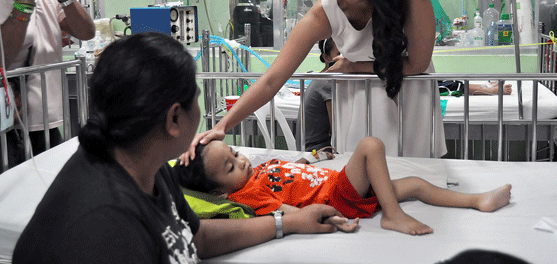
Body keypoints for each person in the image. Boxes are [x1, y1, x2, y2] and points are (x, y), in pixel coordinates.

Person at [13, 32, 353, 264]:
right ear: (174, 118)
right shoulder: (105, 227)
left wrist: (288, 223)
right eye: (197, 99)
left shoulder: (149, 165)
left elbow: (197, 237)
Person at [184, 0, 445, 159]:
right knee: (360, 189)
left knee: (416, 182)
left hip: (409, 101)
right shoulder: (328, 10)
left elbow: (417, 65)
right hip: (357, 107)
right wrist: (223, 125)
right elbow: (272, 79)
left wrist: (355, 68)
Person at [176, 138, 511, 236]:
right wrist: (332, 218)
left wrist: (314, 156)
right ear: (220, 192)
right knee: (370, 146)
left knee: (415, 185)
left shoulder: (258, 171)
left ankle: (477, 200)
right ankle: (392, 216)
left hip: (337, 184)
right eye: (230, 166)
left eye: (235, 153)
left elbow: (291, 171)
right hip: (336, 195)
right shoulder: (246, 194)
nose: (241, 161)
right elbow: (287, 212)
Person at [0, 0, 95, 168]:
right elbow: (0, 59)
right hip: (12, 129)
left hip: (50, 121)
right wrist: (24, 2)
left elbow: (86, 31)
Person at [295, 37, 340, 151]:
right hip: (316, 151)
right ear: (326, 57)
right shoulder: (328, 82)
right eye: (339, 54)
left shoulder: (322, 77)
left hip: (310, 146)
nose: (343, 58)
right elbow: (336, 129)